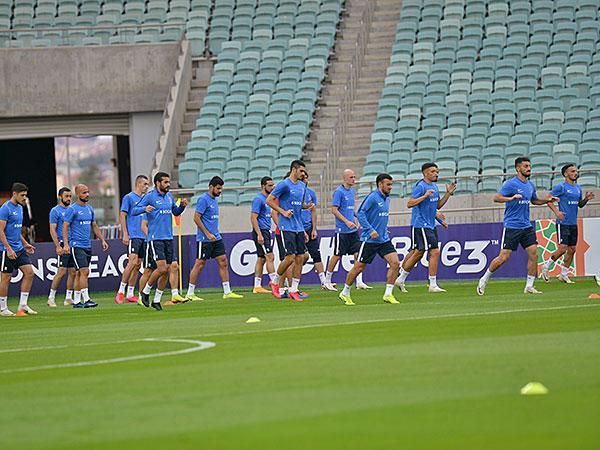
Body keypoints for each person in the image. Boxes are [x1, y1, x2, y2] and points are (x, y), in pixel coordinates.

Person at [477, 157, 558, 296]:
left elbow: (534, 200)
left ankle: (529, 286)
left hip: (526, 226)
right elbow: (496, 198)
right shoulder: (511, 184)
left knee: (534, 254)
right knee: (503, 258)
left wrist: (547, 200)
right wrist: (511, 198)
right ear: (518, 168)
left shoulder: (530, 185)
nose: (529, 168)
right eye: (525, 166)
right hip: (512, 226)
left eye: (529, 166)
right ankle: (484, 278)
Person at [338, 174, 401, 306]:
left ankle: (388, 294)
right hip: (369, 240)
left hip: (383, 239)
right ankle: (345, 292)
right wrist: (370, 229)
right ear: (380, 184)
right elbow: (360, 213)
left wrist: (383, 229)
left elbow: (380, 217)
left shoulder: (387, 199)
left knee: (395, 263)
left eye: (391, 184)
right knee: (359, 267)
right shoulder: (372, 197)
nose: (390, 187)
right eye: (388, 184)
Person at [395, 163, 456, 293]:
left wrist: (448, 194)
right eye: (433, 171)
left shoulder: (434, 186)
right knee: (434, 251)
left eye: (437, 171)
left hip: (430, 225)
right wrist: (424, 196)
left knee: (418, 253)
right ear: (425, 173)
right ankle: (432, 284)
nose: (436, 174)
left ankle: (401, 278)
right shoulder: (421, 186)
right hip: (420, 224)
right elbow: (409, 203)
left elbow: (437, 206)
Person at [132, 172, 188, 311]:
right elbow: (133, 210)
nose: (168, 184)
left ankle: (157, 300)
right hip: (155, 238)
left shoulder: (169, 197)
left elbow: (175, 212)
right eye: (165, 182)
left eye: (169, 182)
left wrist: (182, 206)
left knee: (169, 269)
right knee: (161, 268)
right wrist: (144, 208)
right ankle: (145, 292)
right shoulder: (150, 196)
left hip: (168, 238)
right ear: (158, 183)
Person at [186, 176, 243, 300]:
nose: (220, 191)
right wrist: (207, 233)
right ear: (211, 187)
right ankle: (190, 293)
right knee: (199, 264)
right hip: (204, 238)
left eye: (221, 189)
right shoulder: (203, 200)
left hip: (216, 237)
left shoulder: (214, 200)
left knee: (223, 261)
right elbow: (196, 218)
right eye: (218, 188)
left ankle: (227, 292)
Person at [541, 164, 595, 283]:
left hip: (573, 223)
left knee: (572, 249)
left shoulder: (578, 188)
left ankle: (563, 274)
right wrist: (557, 212)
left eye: (576, 171)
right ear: (565, 174)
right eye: (572, 171)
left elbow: (579, 205)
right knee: (562, 248)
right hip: (563, 222)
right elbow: (548, 199)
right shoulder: (561, 187)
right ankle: (546, 266)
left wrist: (586, 199)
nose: (575, 173)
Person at [267, 160, 312, 301]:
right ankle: (275, 281)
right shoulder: (284, 184)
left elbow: (299, 205)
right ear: (294, 169)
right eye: (301, 171)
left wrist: (306, 206)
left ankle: (294, 289)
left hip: (299, 227)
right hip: (286, 226)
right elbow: (269, 200)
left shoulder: (302, 186)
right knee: (290, 257)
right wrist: (283, 212)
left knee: (301, 257)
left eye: (304, 171)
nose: (303, 173)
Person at [324, 169, 371, 291]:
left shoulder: (352, 191)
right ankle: (327, 281)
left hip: (352, 230)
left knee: (358, 254)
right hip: (342, 230)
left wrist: (358, 217)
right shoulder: (339, 192)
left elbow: (349, 209)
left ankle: (359, 281)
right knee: (337, 255)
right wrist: (346, 221)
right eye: (351, 177)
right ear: (344, 178)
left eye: (354, 177)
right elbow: (334, 210)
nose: (354, 179)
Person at [63, 184, 109, 308]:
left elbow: (94, 225)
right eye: (84, 192)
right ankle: (87, 299)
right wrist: (66, 244)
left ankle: (77, 301)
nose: (87, 194)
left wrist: (102, 240)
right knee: (85, 271)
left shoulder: (89, 208)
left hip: (87, 245)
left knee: (79, 273)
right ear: (77, 194)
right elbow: (65, 226)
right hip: (76, 245)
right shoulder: (72, 209)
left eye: (88, 192)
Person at [0, 183, 37, 316]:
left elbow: (16, 230)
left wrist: (25, 244)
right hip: (6, 250)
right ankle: (3, 308)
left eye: (25, 195)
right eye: (22, 195)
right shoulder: (5, 209)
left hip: (19, 248)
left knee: (30, 273)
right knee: (6, 278)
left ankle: (23, 305)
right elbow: (1, 231)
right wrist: (8, 249)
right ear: (14, 194)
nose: (24, 198)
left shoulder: (20, 208)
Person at [116, 174, 149, 304]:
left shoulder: (145, 199)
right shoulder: (129, 197)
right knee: (132, 261)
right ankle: (121, 291)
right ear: (138, 184)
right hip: (133, 235)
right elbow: (123, 215)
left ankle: (130, 293)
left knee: (137, 265)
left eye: (147, 184)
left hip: (143, 236)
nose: (146, 187)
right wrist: (125, 233)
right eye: (145, 184)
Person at [139, 214, 186, 304]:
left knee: (172, 267)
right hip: (153, 242)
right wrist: (151, 237)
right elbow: (143, 225)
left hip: (167, 240)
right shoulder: (151, 207)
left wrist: (182, 207)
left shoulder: (168, 205)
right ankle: (142, 296)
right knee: (148, 271)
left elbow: (176, 212)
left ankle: (171, 295)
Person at [301, 171, 332, 290]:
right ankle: (290, 281)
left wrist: (314, 229)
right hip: (297, 229)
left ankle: (324, 282)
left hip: (309, 228)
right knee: (301, 257)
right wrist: (302, 230)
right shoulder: (295, 194)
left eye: (306, 178)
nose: (305, 180)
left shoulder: (311, 193)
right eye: (303, 178)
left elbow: (313, 211)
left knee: (316, 255)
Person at [47, 187, 76, 307]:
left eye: (70, 196)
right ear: (60, 197)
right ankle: (51, 298)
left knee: (73, 272)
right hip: (63, 244)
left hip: (73, 243)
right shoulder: (55, 211)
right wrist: (58, 246)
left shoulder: (72, 209)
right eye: (66, 196)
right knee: (61, 271)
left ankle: (68, 298)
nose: (69, 198)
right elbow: (52, 229)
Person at [251, 176, 277, 294]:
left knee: (261, 258)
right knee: (270, 257)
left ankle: (257, 286)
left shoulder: (269, 199)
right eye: (269, 186)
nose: (272, 187)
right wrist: (259, 234)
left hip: (266, 230)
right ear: (263, 186)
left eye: (273, 185)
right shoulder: (259, 199)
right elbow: (253, 218)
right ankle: (275, 283)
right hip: (261, 231)